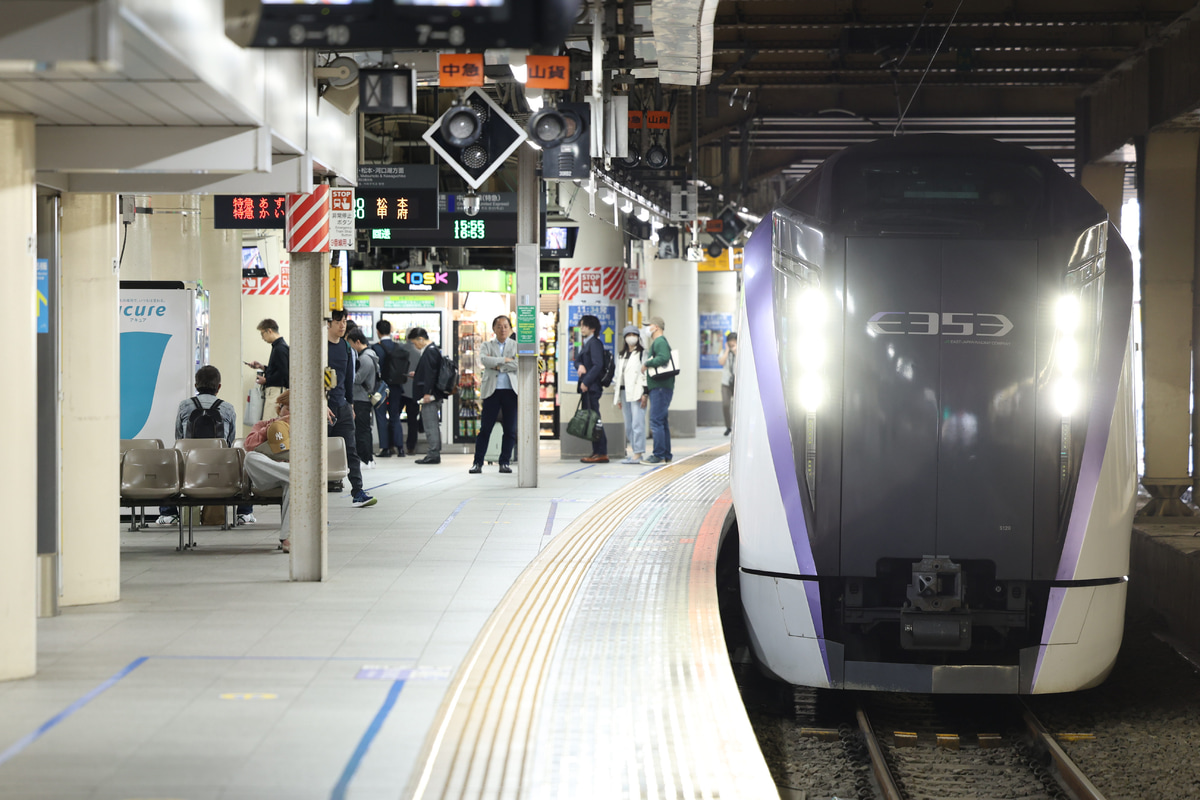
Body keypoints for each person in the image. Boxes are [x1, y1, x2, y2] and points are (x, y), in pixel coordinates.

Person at [156, 365, 255, 525]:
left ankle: (169, 514)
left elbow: (179, 439)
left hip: (190, 468)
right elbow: (230, 442)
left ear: (196, 386)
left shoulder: (184, 406)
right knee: (246, 462)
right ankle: (244, 513)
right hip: (220, 467)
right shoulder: (228, 408)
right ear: (219, 387)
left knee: (167, 464)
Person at [327, 310, 377, 507]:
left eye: (344, 321)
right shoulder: (319, 346)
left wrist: (350, 404)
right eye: (338, 321)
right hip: (323, 407)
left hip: (342, 406)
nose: (342, 325)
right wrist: (320, 405)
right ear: (328, 323)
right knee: (319, 452)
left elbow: (348, 380)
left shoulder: (348, 349)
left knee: (351, 449)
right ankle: (314, 496)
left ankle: (358, 491)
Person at [243, 391, 292, 551]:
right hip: (267, 476)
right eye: (287, 408)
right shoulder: (262, 424)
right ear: (280, 408)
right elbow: (249, 444)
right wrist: (271, 428)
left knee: (295, 485)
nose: (290, 413)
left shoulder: (304, 429)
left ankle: (288, 538)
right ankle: (297, 474)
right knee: (250, 457)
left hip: (288, 475)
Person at [469, 315, 518, 474]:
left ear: (510, 328)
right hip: (492, 391)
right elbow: (484, 360)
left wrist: (498, 365)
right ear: (494, 329)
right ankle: (478, 462)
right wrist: (505, 360)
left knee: (510, 429)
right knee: (485, 429)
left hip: (511, 391)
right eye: (499, 326)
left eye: (505, 326)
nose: (502, 329)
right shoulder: (486, 345)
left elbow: (517, 364)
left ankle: (504, 462)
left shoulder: (516, 345)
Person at [408, 327, 445, 464]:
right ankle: (433, 452)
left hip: (430, 395)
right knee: (431, 424)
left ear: (421, 339)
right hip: (430, 393)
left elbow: (431, 374)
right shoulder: (432, 350)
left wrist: (427, 393)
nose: (415, 346)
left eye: (415, 342)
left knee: (431, 424)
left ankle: (433, 453)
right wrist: (417, 376)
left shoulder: (430, 351)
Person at [372, 320, 409, 458]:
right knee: (395, 416)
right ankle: (400, 448)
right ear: (390, 330)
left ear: (378, 331)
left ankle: (385, 448)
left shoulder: (376, 348)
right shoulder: (398, 347)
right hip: (396, 386)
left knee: (381, 416)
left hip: (380, 386)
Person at [574, 314, 608, 463]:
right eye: (581, 325)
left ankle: (601, 452)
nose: (581, 328)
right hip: (588, 387)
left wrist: (586, 382)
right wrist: (579, 365)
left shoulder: (594, 343)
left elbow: (598, 365)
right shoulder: (586, 343)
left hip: (592, 387)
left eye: (584, 325)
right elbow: (578, 360)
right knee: (592, 420)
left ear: (592, 328)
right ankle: (597, 451)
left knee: (595, 420)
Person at [641, 316, 675, 465]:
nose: (646, 328)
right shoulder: (660, 341)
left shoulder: (660, 341)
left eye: (648, 325)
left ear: (656, 327)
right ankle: (666, 454)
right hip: (661, 387)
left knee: (656, 421)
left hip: (660, 387)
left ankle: (658, 454)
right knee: (661, 421)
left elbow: (664, 358)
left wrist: (647, 363)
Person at [613, 324, 647, 464]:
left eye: (634, 335)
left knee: (637, 423)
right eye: (628, 335)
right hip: (623, 392)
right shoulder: (621, 355)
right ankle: (634, 452)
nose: (631, 337)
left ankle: (639, 453)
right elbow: (617, 376)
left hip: (637, 392)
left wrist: (645, 392)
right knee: (628, 424)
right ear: (625, 338)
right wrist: (618, 397)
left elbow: (645, 374)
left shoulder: (642, 353)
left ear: (638, 337)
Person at [347, 328, 380, 471]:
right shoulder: (371, 355)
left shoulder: (365, 358)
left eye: (350, 343)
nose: (350, 347)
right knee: (364, 429)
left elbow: (358, 378)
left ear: (358, 342)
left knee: (362, 430)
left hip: (361, 398)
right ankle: (368, 458)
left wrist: (347, 375)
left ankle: (365, 459)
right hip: (364, 398)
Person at [247, 319, 290, 416]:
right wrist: (262, 367)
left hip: (276, 391)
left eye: (262, 334)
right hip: (275, 390)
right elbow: (278, 369)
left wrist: (266, 380)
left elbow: (283, 373)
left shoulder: (280, 348)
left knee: (270, 423)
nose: (262, 337)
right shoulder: (278, 347)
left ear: (269, 331)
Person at [717, 332, 737, 436]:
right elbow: (721, 362)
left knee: (737, 405)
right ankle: (728, 426)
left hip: (737, 382)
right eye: (730, 341)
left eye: (734, 341)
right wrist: (727, 351)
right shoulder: (724, 351)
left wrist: (735, 351)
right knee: (725, 404)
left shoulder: (740, 351)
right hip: (726, 382)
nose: (732, 343)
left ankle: (738, 425)